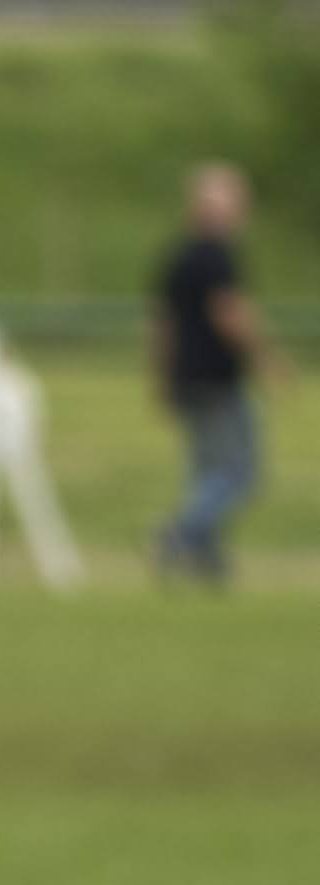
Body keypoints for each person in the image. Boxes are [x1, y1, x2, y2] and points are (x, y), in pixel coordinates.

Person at [150, 159, 274, 583]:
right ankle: (179, 532)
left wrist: (162, 378)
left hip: (185, 378)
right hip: (219, 379)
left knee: (205, 473)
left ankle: (207, 561)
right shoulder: (219, 257)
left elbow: (160, 324)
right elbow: (230, 315)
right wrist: (265, 359)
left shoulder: (176, 256)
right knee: (240, 472)